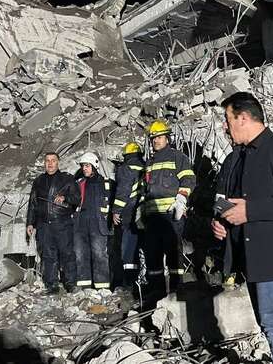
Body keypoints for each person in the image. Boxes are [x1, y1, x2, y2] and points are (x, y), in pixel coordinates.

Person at [211, 91, 273, 364]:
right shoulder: (238, 158)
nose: (224, 126)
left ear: (243, 118)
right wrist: (220, 222)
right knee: (271, 325)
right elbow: (230, 201)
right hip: (251, 257)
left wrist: (249, 211)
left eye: (227, 119)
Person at [142, 119, 195, 296]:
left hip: (171, 216)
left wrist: (181, 198)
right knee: (153, 256)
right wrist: (140, 211)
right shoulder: (149, 162)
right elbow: (146, 189)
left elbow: (189, 179)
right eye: (153, 138)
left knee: (174, 255)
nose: (155, 141)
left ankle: (176, 292)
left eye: (159, 137)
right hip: (152, 218)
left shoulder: (177, 157)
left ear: (167, 138)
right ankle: (155, 295)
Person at [26, 152, 81, 294]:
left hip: (62, 222)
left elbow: (77, 199)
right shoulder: (38, 181)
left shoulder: (67, 179)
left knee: (67, 253)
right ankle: (52, 285)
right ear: (44, 163)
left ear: (58, 163)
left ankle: (70, 283)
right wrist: (30, 223)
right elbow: (33, 203)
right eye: (47, 161)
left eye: (53, 161)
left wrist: (65, 197)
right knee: (48, 255)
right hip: (44, 224)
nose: (50, 163)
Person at [73, 152, 112, 290]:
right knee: (80, 254)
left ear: (94, 166)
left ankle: (102, 287)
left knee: (99, 254)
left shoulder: (106, 183)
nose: (84, 168)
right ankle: (85, 286)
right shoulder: (78, 183)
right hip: (80, 223)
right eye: (83, 166)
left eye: (87, 166)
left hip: (98, 223)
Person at [111, 142, 145, 290]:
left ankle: (129, 282)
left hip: (129, 212)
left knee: (128, 246)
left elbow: (123, 192)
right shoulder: (146, 166)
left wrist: (116, 210)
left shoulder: (125, 169)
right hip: (144, 212)